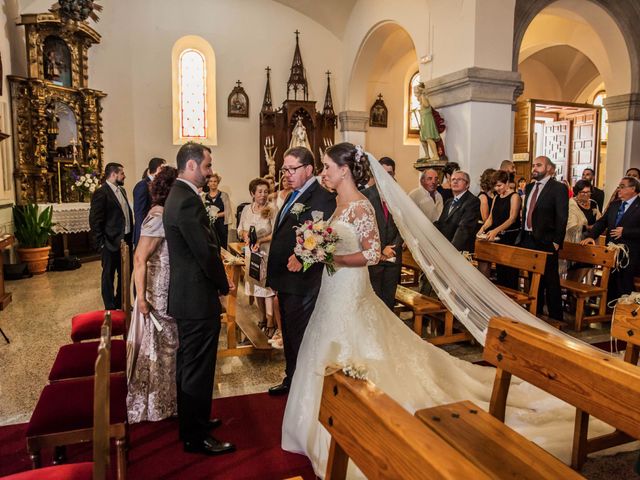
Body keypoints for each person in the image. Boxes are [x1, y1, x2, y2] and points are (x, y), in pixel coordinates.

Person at [281, 145, 612, 478]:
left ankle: (359, 418)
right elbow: (334, 244)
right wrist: (314, 249)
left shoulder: (361, 207)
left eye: (326, 166)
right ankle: (318, 418)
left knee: (358, 350)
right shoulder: (338, 203)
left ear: (344, 170)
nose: (323, 172)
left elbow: (371, 255)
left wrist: (327, 256)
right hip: (333, 288)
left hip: (349, 290)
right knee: (323, 346)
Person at [163, 142, 235, 456]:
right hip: (195, 296)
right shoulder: (187, 201)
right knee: (197, 367)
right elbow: (204, 252)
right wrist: (223, 283)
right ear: (191, 166)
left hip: (187, 294)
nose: (209, 173)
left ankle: (194, 422)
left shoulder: (178, 196)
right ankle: (195, 436)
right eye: (206, 166)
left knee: (189, 364)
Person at [266, 146, 336, 396]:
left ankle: (301, 383)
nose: (286, 173)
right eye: (285, 169)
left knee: (300, 335)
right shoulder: (291, 195)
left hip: (303, 281)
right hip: (286, 279)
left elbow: (323, 237)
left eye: (292, 169)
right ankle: (291, 377)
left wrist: (299, 256)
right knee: (290, 334)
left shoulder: (323, 198)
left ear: (308, 169)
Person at [127, 166, 179, 423]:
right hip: (157, 289)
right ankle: (156, 403)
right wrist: (141, 297)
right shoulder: (157, 216)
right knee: (160, 347)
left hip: (166, 287)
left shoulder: (165, 213)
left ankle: (167, 400)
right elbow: (140, 258)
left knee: (167, 347)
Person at [518, 156, 568, 321]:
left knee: (550, 279)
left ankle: (556, 317)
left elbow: (562, 216)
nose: (534, 168)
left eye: (539, 165)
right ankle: (535, 312)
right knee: (533, 278)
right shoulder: (530, 186)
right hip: (528, 237)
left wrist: (556, 241)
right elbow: (527, 211)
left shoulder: (558, 188)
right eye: (533, 165)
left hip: (547, 240)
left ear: (549, 169)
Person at [582, 176, 640, 302]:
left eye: (622, 186)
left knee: (625, 285)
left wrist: (626, 232)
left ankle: (623, 314)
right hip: (611, 251)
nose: (619, 189)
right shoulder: (615, 204)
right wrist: (591, 236)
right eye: (619, 186)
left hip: (630, 253)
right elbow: (601, 223)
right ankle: (608, 310)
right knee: (611, 283)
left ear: (633, 189)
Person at [89, 162, 133, 310]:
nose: (124, 176)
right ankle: (110, 306)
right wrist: (101, 243)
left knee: (125, 272)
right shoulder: (101, 192)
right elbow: (95, 220)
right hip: (110, 241)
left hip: (125, 239)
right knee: (108, 275)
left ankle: (121, 301)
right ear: (113, 174)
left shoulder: (122, 191)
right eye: (122, 173)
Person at [237, 178, 277, 337]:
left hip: (266, 253)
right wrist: (246, 236)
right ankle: (262, 317)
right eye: (259, 191)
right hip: (250, 253)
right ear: (252, 193)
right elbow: (241, 229)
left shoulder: (272, 209)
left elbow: (276, 233)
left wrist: (260, 240)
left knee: (266, 289)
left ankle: (271, 323)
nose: (263, 195)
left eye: (266, 191)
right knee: (255, 287)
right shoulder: (247, 209)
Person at [363, 157, 402, 310]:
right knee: (374, 301)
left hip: (393, 255)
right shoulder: (365, 195)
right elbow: (364, 229)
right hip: (374, 258)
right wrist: (380, 249)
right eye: (382, 172)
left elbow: (403, 225)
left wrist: (393, 246)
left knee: (389, 300)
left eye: (390, 173)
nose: (386, 176)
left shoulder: (398, 195)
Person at [477, 170, 522, 289]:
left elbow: (512, 219)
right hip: (499, 238)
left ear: (507, 182)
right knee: (500, 272)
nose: (497, 188)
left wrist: (495, 230)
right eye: (495, 186)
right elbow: (491, 218)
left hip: (510, 238)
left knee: (509, 273)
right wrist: (482, 228)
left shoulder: (515, 197)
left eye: (499, 185)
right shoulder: (497, 197)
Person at [434, 170, 480, 253]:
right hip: (445, 247)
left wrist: (451, 250)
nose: (455, 181)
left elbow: (464, 229)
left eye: (459, 179)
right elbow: (441, 223)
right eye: (453, 179)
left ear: (467, 184)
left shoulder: (472, 201)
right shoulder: (449, 201)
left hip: (459, 249)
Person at [133, 157, 166, 248]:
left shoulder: (158, 185)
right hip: (146, 234)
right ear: (159, 169)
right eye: (163, 169)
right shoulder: (142, 185)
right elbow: (140, 213)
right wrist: (141, 238)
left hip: (156, 231)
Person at [203, 172, 232, 249]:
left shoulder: (224, 195)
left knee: (222, 246)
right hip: (209, 226)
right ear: (208, 183)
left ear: (218, 183)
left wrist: (216, 215)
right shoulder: (204, 196)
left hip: (221, 226)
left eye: (215, 181)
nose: (213, 183)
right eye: (211, 181)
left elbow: (228, 211)